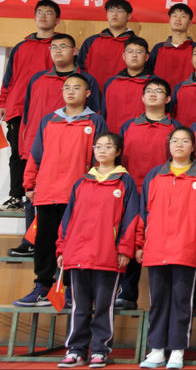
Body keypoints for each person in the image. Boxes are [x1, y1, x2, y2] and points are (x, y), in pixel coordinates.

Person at [15, 74, 107, 307]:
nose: (71, 91)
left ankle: (69, 290)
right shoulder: (49, 120)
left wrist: (94, 189)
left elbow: (100, 159)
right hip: (47, 193)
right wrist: (29, 184)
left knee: (74, 244)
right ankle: (42, 287)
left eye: (77, 88)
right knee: (44, 242)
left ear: (87, 93)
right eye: (67, 88)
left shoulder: (95, 121)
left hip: (77, 196)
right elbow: (36, 155)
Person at [55, 132, 139, 368]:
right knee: (80, 306)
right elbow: (68, 219)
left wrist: (124, 249)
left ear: (118, 152)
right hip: (78, 253)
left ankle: (100, 350)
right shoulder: (82, 182)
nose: (102, 150)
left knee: (104, 305)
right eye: (98, 146)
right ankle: (76, 349)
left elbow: (131, 219)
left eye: (108, 146)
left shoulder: (125, 182)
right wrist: (62, 249)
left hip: (107, 255)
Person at [137, 127, 196, 370]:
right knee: (158, 301)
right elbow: (142, 214)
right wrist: (140, 244)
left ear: (193, 147)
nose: (179, 145)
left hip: (187, 249)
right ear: (168, 145)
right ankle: (156, 349)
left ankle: (177, 350)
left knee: (182, 301)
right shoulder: (155, 175)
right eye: (175, 141)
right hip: (156, 248)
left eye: (185, 141)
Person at [116, 78, 181, 310]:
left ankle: (170, 299)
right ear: (142, 97)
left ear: (168, 98)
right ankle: (127, 293)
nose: (153, 95)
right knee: (130, 239)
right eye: (149, 91)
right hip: (132, 193)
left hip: (163, 194)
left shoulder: (176, 129)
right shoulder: (128, 126)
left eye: (159, 91)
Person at [0, 0, 57, 216]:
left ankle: (41, 192)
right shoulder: (21, 47)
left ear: (57, 19)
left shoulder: (61, 46)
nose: (43, 16)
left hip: (46, 109)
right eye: (40, 12)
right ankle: (17, 195)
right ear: (34, 17)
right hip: (18, 108)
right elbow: (8, 78)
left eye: (48, 12)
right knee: (17, 153)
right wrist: (3, 102)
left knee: (45, 153)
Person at [21, 34, 100, 162]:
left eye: (63, 46)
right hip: (37, 147)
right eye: (53, 47)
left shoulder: (87, 80)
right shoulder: (37, 79)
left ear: (74, 51)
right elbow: (26, 116)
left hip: (73, 150)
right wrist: (24, 147)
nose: (57, 50)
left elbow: (94, 115)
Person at [78, 0, 136, 93]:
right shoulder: (91, 41)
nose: (114, 14)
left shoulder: (136, 44)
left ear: (128, 16)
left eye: (119, 11)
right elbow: (80, 69)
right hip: (91, 93)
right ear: (106, 15)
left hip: (123, 93)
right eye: (111, 11)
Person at [101, 36, 157, 135]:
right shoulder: (111, 83)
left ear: (146, 57)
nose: (134, 55)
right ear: (123, 56)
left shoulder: (155, 83)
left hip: (143, 136)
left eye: (139, 52)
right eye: (130, 51)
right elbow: (104, 113)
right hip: (113, 137)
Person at [149, 3, 196, 90]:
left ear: (190, 23)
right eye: (174, 16)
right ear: (169, 21)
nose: (178, 19)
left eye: (183, 16)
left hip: (187, 94)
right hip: (160, 95)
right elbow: (149, 72)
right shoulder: (158, 48)